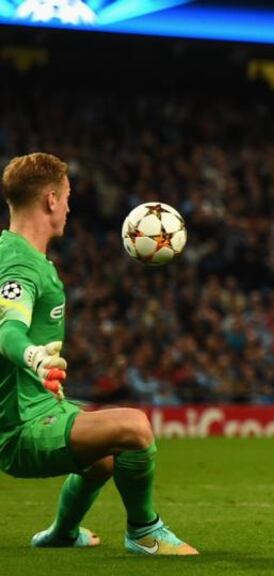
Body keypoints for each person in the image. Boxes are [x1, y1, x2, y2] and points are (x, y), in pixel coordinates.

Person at [0, 153, 197, 555]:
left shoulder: (20, 254)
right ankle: (143, 531)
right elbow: (8, 329)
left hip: (38, 408)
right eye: (68, 196)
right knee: (134, 428)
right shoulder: (19, 265)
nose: (70, 207)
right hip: (21, 428)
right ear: (51, 200)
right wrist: (35, 357)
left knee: (104, 458)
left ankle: (62, 533)